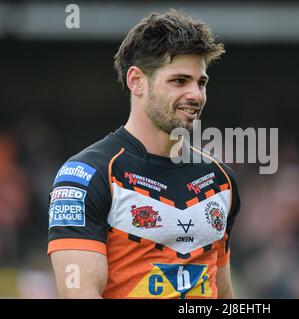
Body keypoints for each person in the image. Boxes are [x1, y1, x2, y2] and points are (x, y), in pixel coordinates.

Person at [48, 9, 240, 299]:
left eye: (201, 83)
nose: (196, 95)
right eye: (179, 81)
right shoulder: (86, 176)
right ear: (136, 81)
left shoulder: (219, 179)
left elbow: (222, 294)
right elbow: (79, 292)